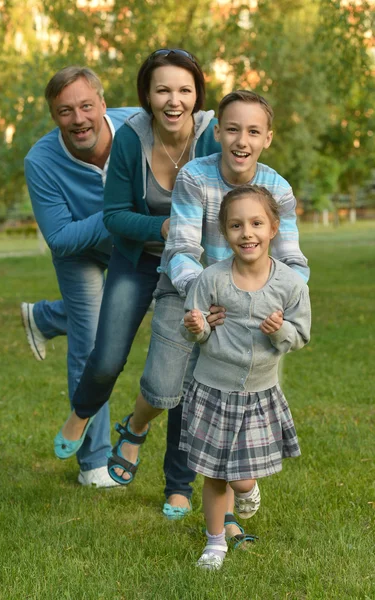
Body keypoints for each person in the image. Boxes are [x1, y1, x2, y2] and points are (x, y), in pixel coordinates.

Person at [109, 90, 310, 528]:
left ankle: (223, 511)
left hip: (249, 301)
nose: (242, 139)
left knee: (227, 398)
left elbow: (293, 261)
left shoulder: (278, 189)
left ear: (267, 138)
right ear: (217, 132)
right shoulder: (195, 178)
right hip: (187, 287)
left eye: (253, 131)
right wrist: (207, 296)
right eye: (233, 128)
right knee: (165, 386)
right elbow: (182, 249)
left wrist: (277, 298)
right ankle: (136, 427)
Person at [53, 49, 224, 518]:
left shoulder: (212, 135)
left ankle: (178, 485)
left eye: (184, 90)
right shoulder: (132, 138)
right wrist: (163, 228)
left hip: (193, 269)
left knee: (187, 379)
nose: (174, 100)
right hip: (139, 260)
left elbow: (238, 196)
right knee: (107, 358)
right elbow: (114, 216)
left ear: (197, 95)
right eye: (163, 89)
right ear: (146, 95)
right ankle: (81, 413)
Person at [180, 184, 311, 570]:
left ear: (273, 228)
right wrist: (196, 325)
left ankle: (249, 489)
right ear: (225, 232)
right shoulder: (212, 279)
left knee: (239, 478)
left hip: (257, 395)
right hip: (212, 390)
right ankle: (215, 542)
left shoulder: (289, 284)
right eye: (236, 225)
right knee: (214, 475)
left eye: (256, 223)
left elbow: (300, 335)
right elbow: (197, 331)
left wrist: (277, 331)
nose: (247, 232)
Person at [23, 66, 138, 487]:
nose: (79, 118)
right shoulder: (40, 161)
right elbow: (59, 238)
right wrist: (118, 216)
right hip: (80, 251)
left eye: (86, 105)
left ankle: (46, 318)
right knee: (91, 346)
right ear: (55, 117)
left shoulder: (139, 126)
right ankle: (94, 461)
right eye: (65, 111)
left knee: (145, 315)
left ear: (103, 104)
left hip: (137, 243)